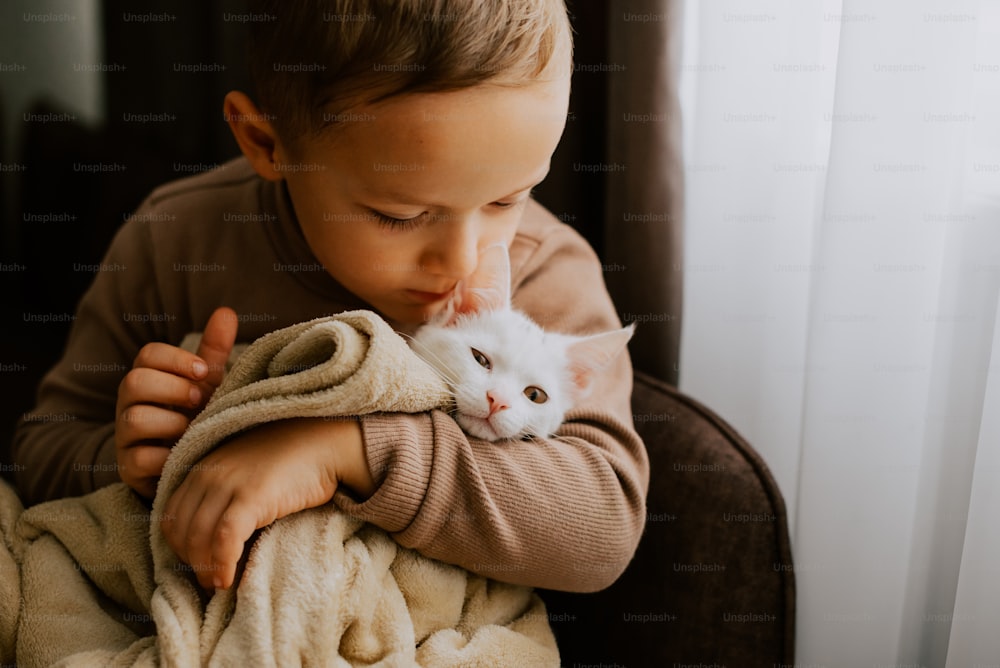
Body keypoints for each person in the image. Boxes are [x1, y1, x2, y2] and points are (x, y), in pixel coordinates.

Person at [12, 0, 648, 594]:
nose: (462, 260)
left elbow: (604, 524)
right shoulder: (176, 238)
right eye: (399, 214)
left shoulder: (548, 271)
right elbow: (42, 448)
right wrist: (138, 458)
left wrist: (341, 450)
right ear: (267, 144)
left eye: (507, 199)